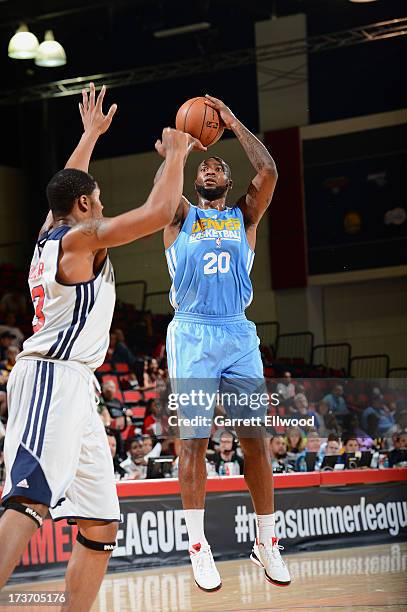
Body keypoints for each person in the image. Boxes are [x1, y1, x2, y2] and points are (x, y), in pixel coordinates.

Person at [0, 82, 203, 607]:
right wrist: (177, 153)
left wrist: (89, 135)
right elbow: (159, 213)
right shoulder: (78, 238)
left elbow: (62, 189)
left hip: (76, 385)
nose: (103, 205)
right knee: (26, 503)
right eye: (99, 199)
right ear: (87, 204)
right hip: (51, 375)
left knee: (100, 522)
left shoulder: (55, 228)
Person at [157, 94, 290, 590]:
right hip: (191, 331)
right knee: (193, 442)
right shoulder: (180, 215)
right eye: (204, 167)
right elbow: (160, 199)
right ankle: (198, 546)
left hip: (237, 331)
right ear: (195, 180)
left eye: (218, 165)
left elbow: (270, 171)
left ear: (230, 182)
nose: (210, 169)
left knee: (255, 439)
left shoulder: (244, 217)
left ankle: (266, 541)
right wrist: (177, 154)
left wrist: (232, 123)